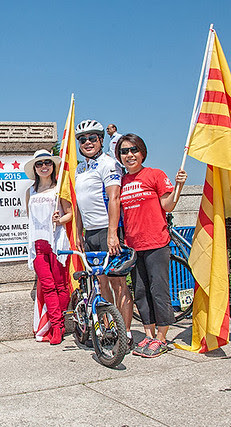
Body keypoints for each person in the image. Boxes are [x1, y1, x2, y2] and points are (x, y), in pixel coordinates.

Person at [115, 133, 187, 358]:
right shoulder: (122, 182)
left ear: (142, 152)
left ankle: (162, 338)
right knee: (141, 292)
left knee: (158, 290)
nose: (129, 155)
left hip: (156, 242)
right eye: (124, 151)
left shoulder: (155, 174)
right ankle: (148, 334)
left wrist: (179, 186)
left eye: (133, 150)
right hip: (133, 246)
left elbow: (168, 205)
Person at [73, 119, 134, 345]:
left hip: (108, 230)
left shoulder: (109, 164)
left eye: (92, 138)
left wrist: (112, 234)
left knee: (118, 284)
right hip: (90, 233)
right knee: (101, 283)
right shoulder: (80, 168)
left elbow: (114, 198)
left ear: (100, 140)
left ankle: (126, 333)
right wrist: (79, 232)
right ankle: (109, 330)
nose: (87, 142)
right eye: (82, 139)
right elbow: (79, 203)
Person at [25, 149, 72, 345]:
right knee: (47, 286)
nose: (44, 166)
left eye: (47, 163)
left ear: (53, 166)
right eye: (39, 164)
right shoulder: (30, 192)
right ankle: (56, 325)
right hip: (38, 244)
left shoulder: (59, 189)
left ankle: (58, 326)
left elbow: (70, 213)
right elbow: (31, 219)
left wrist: (60, 219)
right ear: (35, 169)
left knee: (61, 286)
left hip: (57, 242)